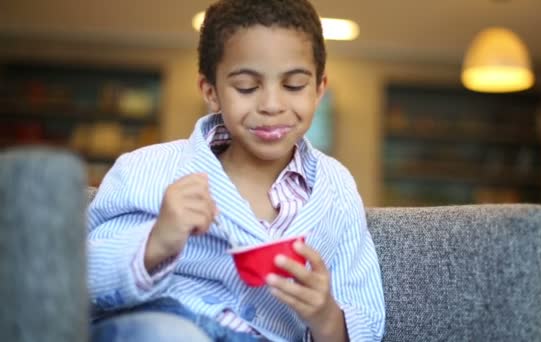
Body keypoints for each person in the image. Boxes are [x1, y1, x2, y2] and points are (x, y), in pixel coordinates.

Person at [87, 0, 385, 341]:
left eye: (293, 86)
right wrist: (155, 243)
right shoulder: (145, 169)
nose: (272, 105)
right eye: (246, 87)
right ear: (211, 92)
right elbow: (77, 279)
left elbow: (366, 315)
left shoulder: (338, 190)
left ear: (319, 89)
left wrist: (326, 317)